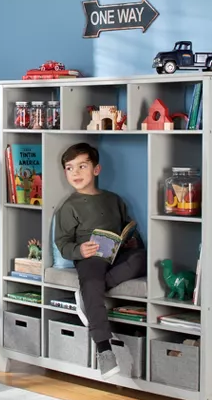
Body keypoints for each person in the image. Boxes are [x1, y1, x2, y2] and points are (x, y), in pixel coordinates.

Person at [54, 142, 147, 379]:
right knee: (92, 278)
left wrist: (128, 241)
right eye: (69, 168)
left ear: (96, 170)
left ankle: (89, 292)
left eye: (82, 166)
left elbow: (126, 227)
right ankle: (104, 350)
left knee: (141, 258)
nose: (75, 173)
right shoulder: (68, 206)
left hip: (117, 253)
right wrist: (80, 250)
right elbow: (62, 243)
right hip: (91, 255)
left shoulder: (114, 199)